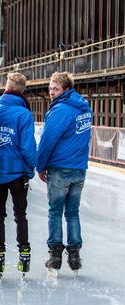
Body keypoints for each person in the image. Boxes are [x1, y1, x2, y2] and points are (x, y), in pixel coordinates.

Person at [37, 72, 93, 273]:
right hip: (79, 169)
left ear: (66, 89)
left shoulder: (61, 110)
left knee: (55, 211)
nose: (52, 92)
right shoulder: (85, 108)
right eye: (50, 88)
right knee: (72, 213)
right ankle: (75, 255)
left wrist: (40, 166)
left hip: (61, 169)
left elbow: (47, 141)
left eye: (56, 89)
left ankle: (55, 256)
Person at [0, 72, 37, 276]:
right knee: (20, 214)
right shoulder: (24, 114)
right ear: (23, 91)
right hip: (18, 173)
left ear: (5, 87)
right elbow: (27, 147)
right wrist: (32, 168)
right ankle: (24, 254)